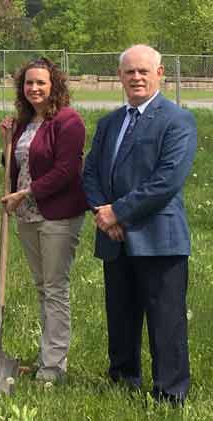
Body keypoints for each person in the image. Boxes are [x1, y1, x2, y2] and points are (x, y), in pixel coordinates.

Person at [82, 44, 196, 404]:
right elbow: (90, 173)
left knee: (166, 321)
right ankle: (122, 379)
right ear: (119, 76)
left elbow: (166, 181)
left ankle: (170, 391)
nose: (136, 77)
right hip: (115, 237)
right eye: (129, 72)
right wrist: (104, 213)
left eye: (143, 71)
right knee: (121, 315)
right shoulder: (109, 122)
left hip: (160, 238)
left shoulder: (177, 120)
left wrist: (119, 212)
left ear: (159, 74)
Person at [0, 58, 87, 383]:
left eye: (41, 83)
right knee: (43, 288)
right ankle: (46, 358)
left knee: (55, 289)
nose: (34, 88)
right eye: (29, 83)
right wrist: (6, 143)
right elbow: (17, 165)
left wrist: (26, 193)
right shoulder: (24, 123)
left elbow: (67, 171)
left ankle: (53, 369)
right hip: (27, 215)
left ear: (54, 85)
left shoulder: (69, 122)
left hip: (57, 216)